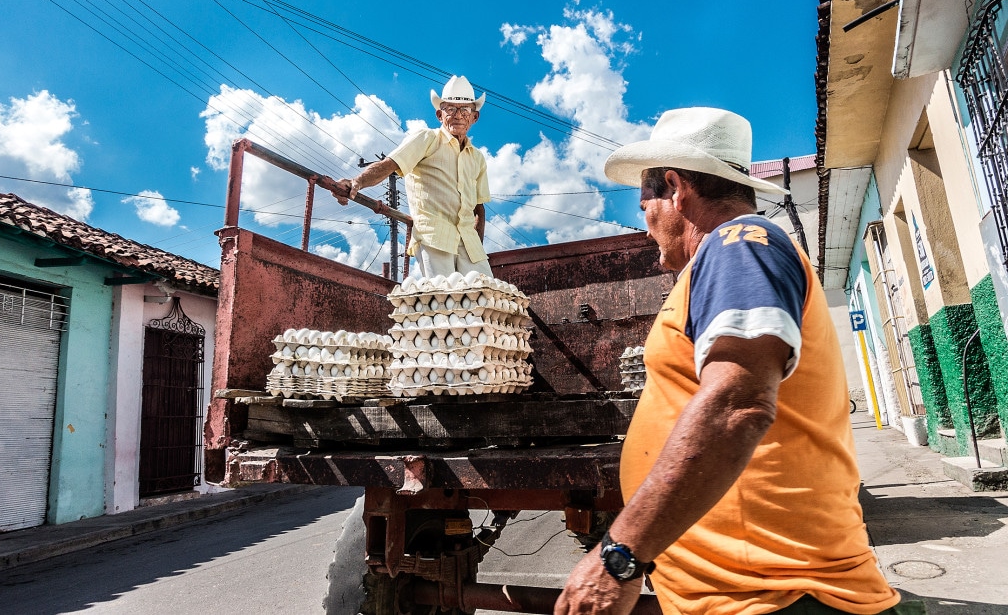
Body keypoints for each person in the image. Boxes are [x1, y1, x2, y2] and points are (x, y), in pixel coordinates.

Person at [554, 107, 904, 615]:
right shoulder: (725, 259)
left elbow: (737, 403)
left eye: (644, 201)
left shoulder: (739, 244)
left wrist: (619, 557)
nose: (644, 221)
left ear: (675, 188)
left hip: (774, 597)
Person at [335, 75, 492, 278]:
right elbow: (388, 165)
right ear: (439, 114)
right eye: (450, 109)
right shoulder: (426, 139)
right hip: (435, 236)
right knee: (446, 301)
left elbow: (479, 208)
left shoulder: (477, 158)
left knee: (487, 296)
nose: (458, 116)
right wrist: (357, 181)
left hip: (469, 244)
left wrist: (476, 247)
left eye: (465, 110)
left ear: (474, 117)